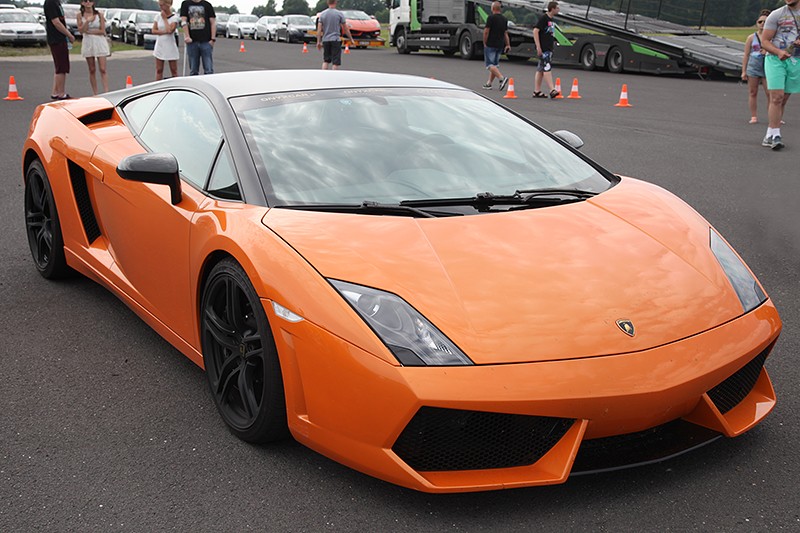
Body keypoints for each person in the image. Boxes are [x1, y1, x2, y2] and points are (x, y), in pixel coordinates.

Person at [759, 0, 800, 150]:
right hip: (775, 59)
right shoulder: (776, 15)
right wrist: (778, 52)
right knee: (776, 97)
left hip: (795, 60)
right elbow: (764, 41)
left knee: (783, 100)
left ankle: (769, 133)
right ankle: (776, 135)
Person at [742, 10, 771, 124]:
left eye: (765, 22)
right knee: (753, 92)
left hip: (767, 66)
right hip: (753, 67)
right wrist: (744, 71)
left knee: (770, 93)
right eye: (760, 22)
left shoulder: (772, 37)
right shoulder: (751, 37)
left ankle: (773, 116)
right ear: (757, 23)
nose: (762, 24)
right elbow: (746, 55)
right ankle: (753, 116)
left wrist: (768, 51)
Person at [43, 0, 75, 100]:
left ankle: (55, 92)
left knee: (60, 66)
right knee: (61, 67)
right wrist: (69, 34)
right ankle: (61, 93)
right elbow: (56, 22)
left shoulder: (57, 2)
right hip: (57, 39)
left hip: (60, 39)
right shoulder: (50, 2)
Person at [77, 0, 110, 95]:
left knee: (102, 68)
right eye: (85, 1)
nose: (88, 2)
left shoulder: (99, 14)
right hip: (88, 42)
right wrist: (87, 21)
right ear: (82, 3)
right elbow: (81, 30)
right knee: (92, 69)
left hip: (99, 42)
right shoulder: (79, 15)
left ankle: (106, 92)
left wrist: (90, 32)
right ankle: (95, 93)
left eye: (90, 0)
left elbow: (102, 30)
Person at [316, 0, 355, 70]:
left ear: (327, 3)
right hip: (335, 39)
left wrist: (318, 41)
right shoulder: (339, 14)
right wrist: (351, 39)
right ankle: (334, 75)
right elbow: (345, 28)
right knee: (335, 62)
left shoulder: (322, 14)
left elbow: (319, 29)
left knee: (326, 60)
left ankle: (324, 74)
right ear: (335, 2)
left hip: (326, 39)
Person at [532, 1, 560, 99]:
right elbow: (535, 31)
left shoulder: (551, 20)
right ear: (552, 8)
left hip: (548, 47)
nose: (559, 10)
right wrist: (538, 46)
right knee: (547, 67)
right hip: (544, 48)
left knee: (540, 69)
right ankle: (552, 89)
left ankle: (537, 91)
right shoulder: (544, 18)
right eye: (557, 8)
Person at [180, 0, 216, 75]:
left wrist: (212, 39)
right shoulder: (185, 4)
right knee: (193, 69)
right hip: (192, 41)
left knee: (208, 69)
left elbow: (213, 23)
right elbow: (183, 21)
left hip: (206, 41)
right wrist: (187, 36)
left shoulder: (207, 5)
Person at [482, 1, 510, 91]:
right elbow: (505, 33)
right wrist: (508, 44)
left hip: (491, 44)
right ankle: (489, 83)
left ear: (493, 8)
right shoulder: (504, 19)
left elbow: (486, 31)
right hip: (500, 44)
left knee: (490, 65)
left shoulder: (491, 18)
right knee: (495, 65)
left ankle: (502, 78)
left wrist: (484, 42)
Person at [153, 0, 180, 80]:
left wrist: (165, 19)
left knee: (174, 70)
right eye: (159, 5)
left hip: (170, 45)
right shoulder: (158, 16)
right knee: (159, 69)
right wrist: (164, 32)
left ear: (168, 5)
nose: (161, 7)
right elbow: (154, 30)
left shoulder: (174, 18)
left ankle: (175, 84)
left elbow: (170, 30)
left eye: (162, 5)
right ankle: (157, 85)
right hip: (160, 45)